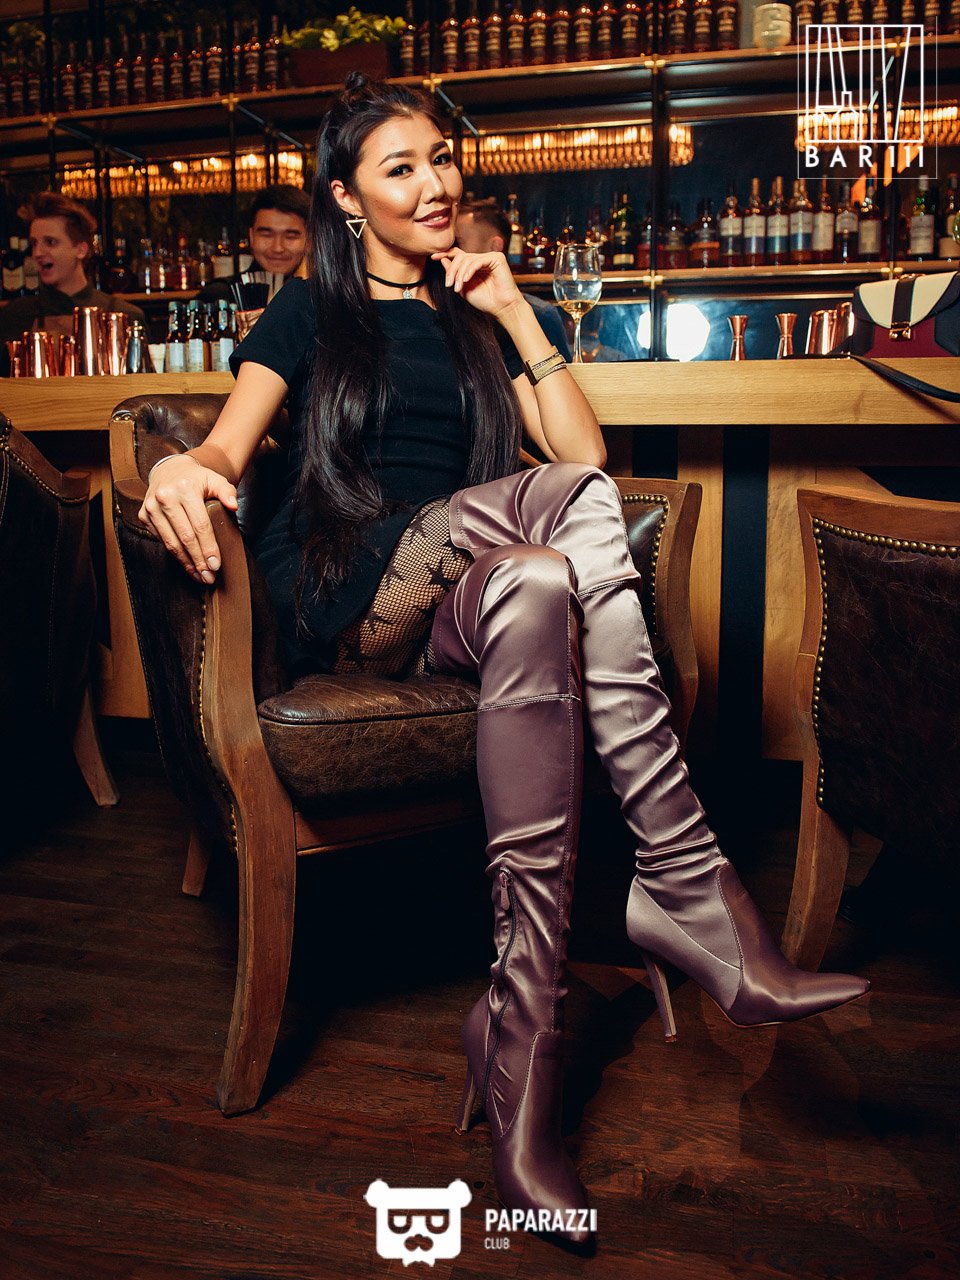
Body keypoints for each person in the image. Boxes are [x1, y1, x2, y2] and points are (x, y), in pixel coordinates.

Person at [138, 75, 869, 1246]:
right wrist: (184, 464)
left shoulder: (475, 317)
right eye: (399, 167)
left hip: (469, 585)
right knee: (560, 516)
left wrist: (517, 311)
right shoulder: (309, 308)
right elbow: (231, 441)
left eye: (441, 157)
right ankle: (687, 882)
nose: (434, 183)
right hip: (351, 581)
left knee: (539, 578)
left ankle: (517, 1040)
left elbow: (585, 453)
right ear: (345, 197)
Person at [0, 192, 145, 376]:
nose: (37, 253)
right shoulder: (14, 316)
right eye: (34, 243)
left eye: (50, 242)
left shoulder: (124, 315)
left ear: (81, 250)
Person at [456, 196, 572, 359]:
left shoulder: (541, 315)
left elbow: (562, 372)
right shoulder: (445, 311)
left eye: (458, 242)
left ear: (495, 247)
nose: (451, 250)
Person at [197, 184, 310, 305]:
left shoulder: (316, 298)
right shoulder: (220, 296)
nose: (278, 248)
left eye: (290, 236)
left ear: (310, 240)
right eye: (267, 235)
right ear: (251, 236)